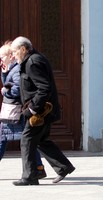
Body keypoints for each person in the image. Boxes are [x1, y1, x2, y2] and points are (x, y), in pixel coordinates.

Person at [0, 41, 46, 180]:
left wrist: (5, 92)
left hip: (15, 110)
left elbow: (17, 89)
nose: (0, 61)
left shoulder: (17, 69)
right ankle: (38, 167)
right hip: (11, 110)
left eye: (2, 57)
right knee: (14, 139)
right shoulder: (12, 69)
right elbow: (7, 83)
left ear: (11, 56)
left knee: (24, 140)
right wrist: (4, 72)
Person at [10, 36, 75, 186]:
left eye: (14, 51)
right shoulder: (32, 60)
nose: (13, 55)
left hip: (41, 111)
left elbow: (44, 88)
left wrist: (32, 109)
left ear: (23, 49)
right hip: (42, 110)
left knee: (27, 140)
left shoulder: (33, 62)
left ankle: (29, 176)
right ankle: (63, 167)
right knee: (40, 140)